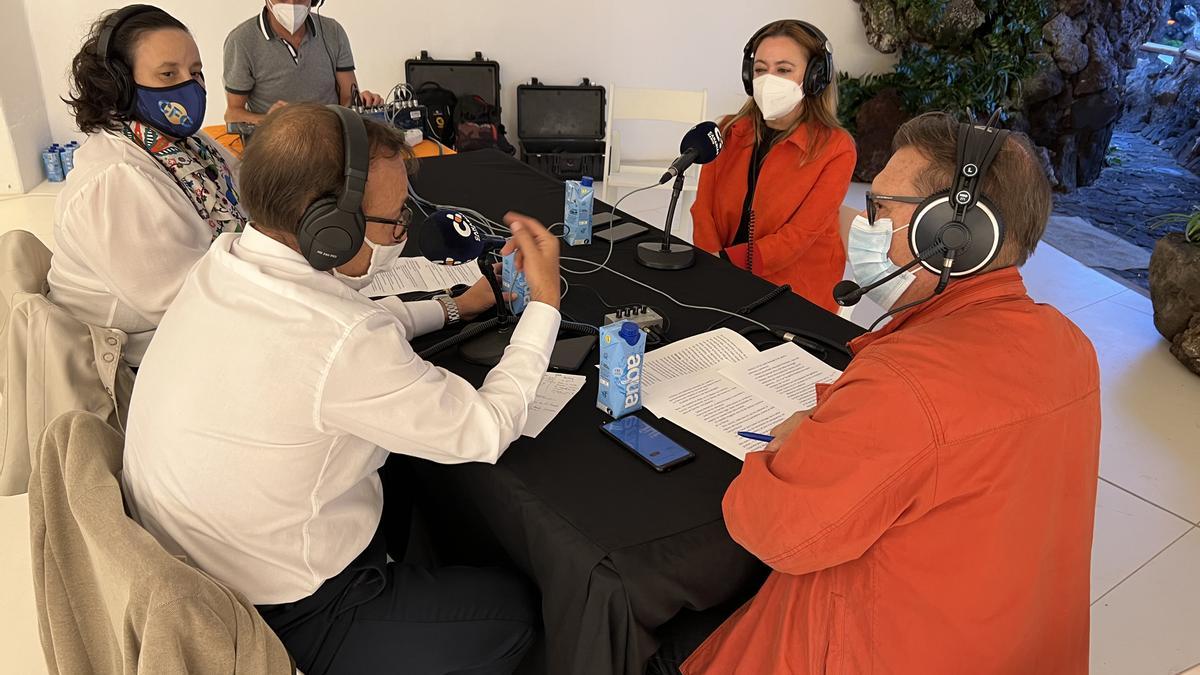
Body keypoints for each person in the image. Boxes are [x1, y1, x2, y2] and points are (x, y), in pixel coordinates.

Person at [121, 103, 559, 674]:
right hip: (285, 613)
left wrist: (459, 304)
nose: (402, 232)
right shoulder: (343, 340)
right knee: (516, 614)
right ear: (329, 229)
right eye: (395, 218)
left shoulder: (226, 263)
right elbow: (486, 428)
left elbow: (346, 321)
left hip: (199, 565)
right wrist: (545, 306)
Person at [658, 113, 1102, 674]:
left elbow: (770, 531)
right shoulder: (1071, 344)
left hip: (880, 648)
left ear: (951, 238)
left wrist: (788, 445)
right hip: (1010, 646)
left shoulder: (906, 382)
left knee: (657, 634)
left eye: (880, 210)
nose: (861, 227)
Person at [49, 5, 248, 367]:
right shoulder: (114, 180)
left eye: (195, 72)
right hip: (140, 363)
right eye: (168, 73)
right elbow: (188, 305)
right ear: (120, 85)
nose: (190, 86)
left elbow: (253, 194)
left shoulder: (187, 145)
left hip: (201, 325)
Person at [691, 20, 856, 314]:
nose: (769, 80)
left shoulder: (836, 148)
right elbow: (703, 211)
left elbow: (799, 237)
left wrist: (727, 264)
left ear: (815, 77)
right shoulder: (726, 130)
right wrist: (710, 267)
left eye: (783, 69)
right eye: (760, 69)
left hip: (796, 293)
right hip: (722, 276)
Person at [223, 0, 383, 126]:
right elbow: (233, 114)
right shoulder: (241, 41)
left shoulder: (333, 31)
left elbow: (348, 97)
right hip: (276, 146)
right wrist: (268, 120)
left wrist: (363, 102)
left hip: (330, 138)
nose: (292, 5)